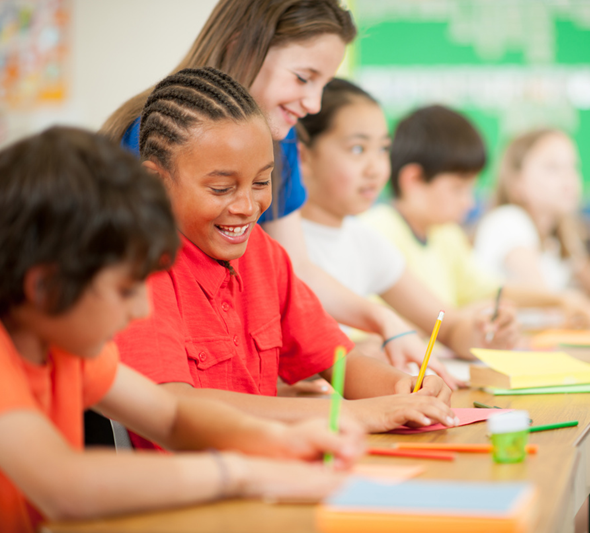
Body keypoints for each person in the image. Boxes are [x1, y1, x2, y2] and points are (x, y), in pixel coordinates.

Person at [0, 127, 364, 533]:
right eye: (125, 289)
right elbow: (63, 484)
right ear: (44, 288)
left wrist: (274, 440)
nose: (140, 308)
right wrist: (240, 472)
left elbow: (171, 417)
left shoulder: (63, 342)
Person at [116, 67, 455, 445]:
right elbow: (174, 403)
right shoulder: (141, 270)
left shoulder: (264, 255)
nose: (247, 206)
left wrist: (401, 387)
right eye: (222, 188)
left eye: (262, 182)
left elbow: (341, 362)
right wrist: (352, 413)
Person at [101, 0, 431, 378]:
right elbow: (168, 391)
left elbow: (293, 271)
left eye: (261, 181)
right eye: (304, 78)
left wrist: (381, 321)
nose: (313, 103)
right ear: (242, 46)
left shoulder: (279, 147)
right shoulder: (157, 140)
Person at [297, 79, 520, 367]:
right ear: (302, 155)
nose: (376, 168)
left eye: (382, 149)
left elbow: (449, 327)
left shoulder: (365, 241)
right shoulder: (277, 243)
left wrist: (485, 333)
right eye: (357, 149)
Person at [361, 105, 590, 325]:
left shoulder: (445, 234)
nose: (469, 201)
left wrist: (560, 299)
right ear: (414, 180)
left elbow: (489, 290)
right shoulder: (377, 232)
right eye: (458, 188)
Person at [473, 129, 590, 305]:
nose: (568, 178)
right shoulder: (508, 220)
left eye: (573, 167)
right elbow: (547, 301)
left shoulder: (560, 234)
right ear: (517, 181)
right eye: (552, 168)